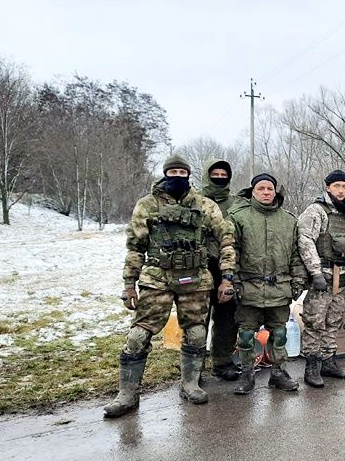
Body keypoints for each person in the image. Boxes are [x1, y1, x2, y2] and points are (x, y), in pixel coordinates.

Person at [104, 154, 235, 418]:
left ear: (189, 175)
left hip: (195, 279)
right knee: (138, 336)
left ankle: (190, 384)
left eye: (182, 172)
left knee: (197, 334)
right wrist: (129, 284)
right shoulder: (147, 205)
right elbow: (135, 247)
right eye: (172, 171)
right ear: (165, 173)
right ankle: (127, 394)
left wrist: (227, 278)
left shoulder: (205, 205)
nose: (177, 176)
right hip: (157, 278)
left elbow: (226, 241)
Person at [227, 173, 308, 394]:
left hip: (279, 288)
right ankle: (247, 374)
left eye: (269, 189)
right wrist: (231, 281)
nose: (265, 192)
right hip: (248, 287)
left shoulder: (288, 220)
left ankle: (279, 373)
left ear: (275, 192)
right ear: (253, 191)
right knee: (245, 336)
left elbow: (296, 255)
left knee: (279, 334)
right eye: (261, 188)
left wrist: (298, 281)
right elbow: (231, 252)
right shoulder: (238, 217)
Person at [296, 169, 345, 388]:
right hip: (321, 275)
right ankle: (311, 366)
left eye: (344, 186)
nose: (341, 190)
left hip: (341, 276)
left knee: (334, 321)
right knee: (315, 322)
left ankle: (329, 360)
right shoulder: (317, 211)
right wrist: (315, 272)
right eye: (336, 186)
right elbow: (305, 241)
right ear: (328, 187)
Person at [200, 157, 246, 380]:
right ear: (207, 175)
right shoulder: (195, 201)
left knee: (227, 318)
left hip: (230, 266)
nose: (219, 178)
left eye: (223, 175)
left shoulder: (236, 203)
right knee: (197, 319)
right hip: (201, 266)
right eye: (214, 174)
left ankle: (222, 361)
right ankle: (193, 368)